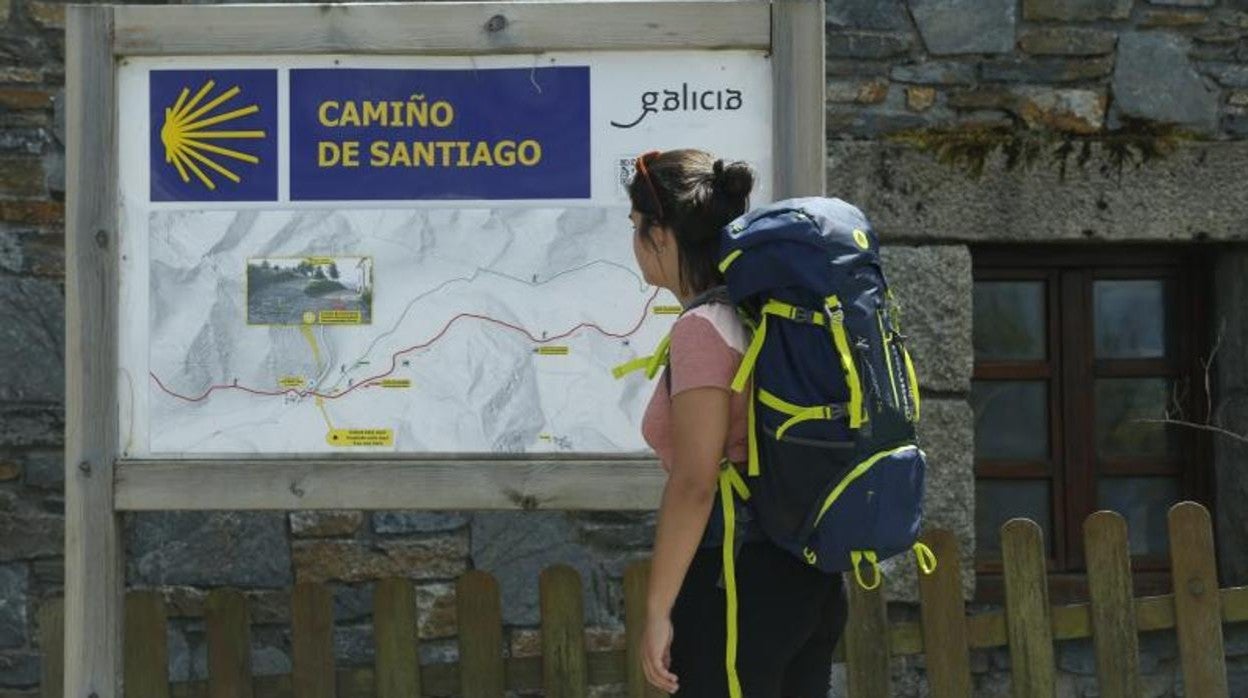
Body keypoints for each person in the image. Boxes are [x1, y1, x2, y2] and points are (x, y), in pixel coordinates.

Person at [628, 149, 849, 697]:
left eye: (636, 227)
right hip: (807, 571)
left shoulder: (703, 327)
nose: (633, 242)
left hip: (736, 578)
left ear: (662, 235)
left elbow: (696, 482)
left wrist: (657, 610)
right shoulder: (759, 312)